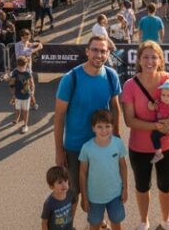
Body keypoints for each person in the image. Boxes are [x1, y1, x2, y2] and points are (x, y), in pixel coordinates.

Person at [121, 41, 169, 230]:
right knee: (142, 187)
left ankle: (166, 219)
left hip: (168, 146)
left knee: (165, 186)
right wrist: (157, 126)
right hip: (139, 147)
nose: (149, 61)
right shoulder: (130, 85)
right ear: (139, 60)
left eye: (154, 57)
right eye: (145, 57)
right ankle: (144, 221)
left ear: (160, 60)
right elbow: (129, 120)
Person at [54, 36, 123, 209]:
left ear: (108, 53)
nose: (98, 54)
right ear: (86, 51)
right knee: (73, 193)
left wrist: (116, 136)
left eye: (103, 51)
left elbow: (115, 107)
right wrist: (59, 150)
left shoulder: (111, 75)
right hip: (75, 147)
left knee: (99, 187)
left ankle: (97, 222)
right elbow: (59, 116)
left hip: (102, 145)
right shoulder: (70, 79)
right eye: (95, 50)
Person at [79, 109, 129, 230]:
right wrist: (84, 197)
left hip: (115, 195)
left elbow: (123, 167)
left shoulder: (118, 144)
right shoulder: (87, 148)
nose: (104, 130)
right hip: (94, 197)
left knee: (116, 222)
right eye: (99, 126)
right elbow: (82, 174)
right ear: (93, 128)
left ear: (112, 127)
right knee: (95, 224)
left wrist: (125, 188)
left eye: (107, 126)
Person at [42, 166, 76, 230]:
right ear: (51, 187)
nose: (64, 185)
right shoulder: (49, 203)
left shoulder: (70, 194)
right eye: (59, 182)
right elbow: (44, 223)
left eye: (65, 180)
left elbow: (74, 204)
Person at [10, 54, 35, 134]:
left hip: (26, 95)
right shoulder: (15, 72)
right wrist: (13, 93)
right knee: (17, 108)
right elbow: (12, 83)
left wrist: (32, 92)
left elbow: (32, 83)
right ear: (17, 65)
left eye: (22, 67)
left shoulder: (28, 73)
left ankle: (25, 125)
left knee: (25, 111)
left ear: (26, 65)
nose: (20, 69)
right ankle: (16, 119)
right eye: (19, 67)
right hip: (17, 94)